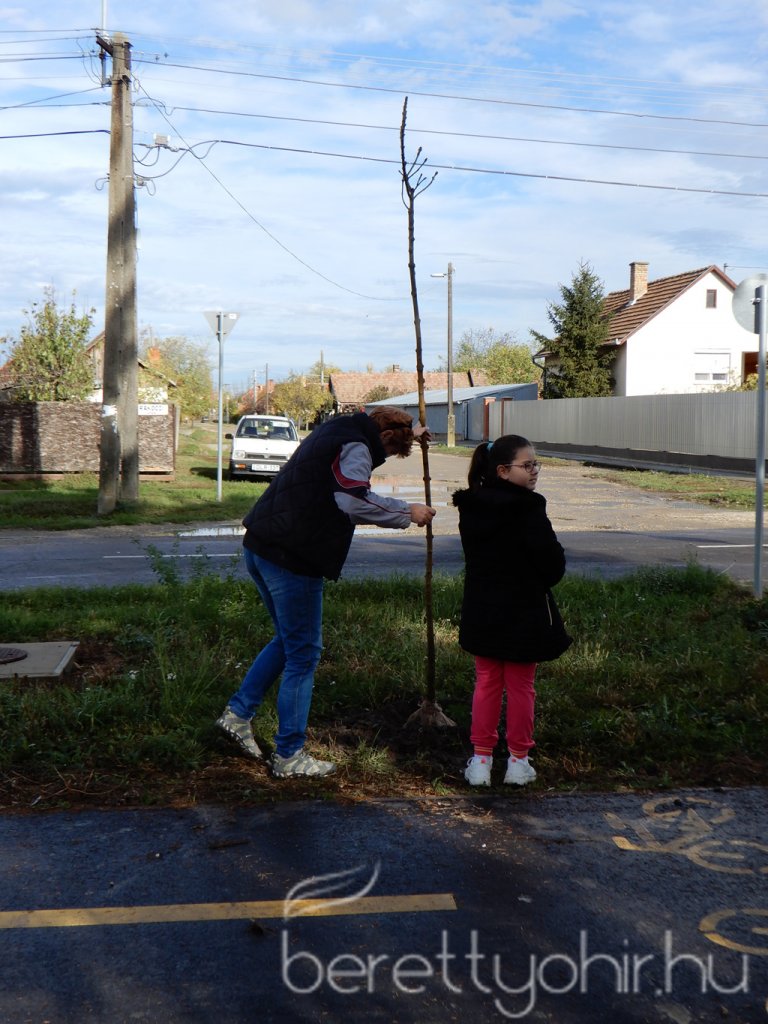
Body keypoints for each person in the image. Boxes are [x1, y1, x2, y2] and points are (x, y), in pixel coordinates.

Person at [216, 406, 436, 779]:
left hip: (263, 543)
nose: (382, 458)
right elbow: (351, 498)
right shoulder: (357, 445)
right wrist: (406, 512)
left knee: (287, 642)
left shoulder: (340, 428)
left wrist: (413, 431)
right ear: (382, 436)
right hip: (294, 555)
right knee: (303, 654)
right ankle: (288, 755)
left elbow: (363, 454)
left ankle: (238, 715)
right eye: (390, 451)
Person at [452, 434, 571, 787]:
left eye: (536, 463)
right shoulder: (528, 508)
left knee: (486, 682)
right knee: (521, 686)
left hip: (482, 609)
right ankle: (519, 762)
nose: (535, 471)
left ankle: (481, 762)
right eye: (528, 464)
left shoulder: (471, 507)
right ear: (503, 471)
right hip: (523, 611)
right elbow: (551, 566)